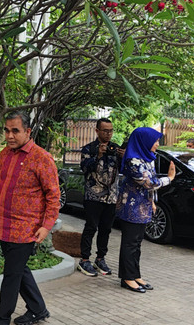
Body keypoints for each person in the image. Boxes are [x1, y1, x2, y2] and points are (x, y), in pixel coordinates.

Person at [0, 111, 60, 325]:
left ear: (27, 131)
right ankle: (38, 309)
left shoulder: (42, 158)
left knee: (11, 275)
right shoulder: (4, 155)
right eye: (7, 130)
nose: (9, 135)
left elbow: (53, 197)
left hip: (26, 229)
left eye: (15, 131)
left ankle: (1, 317)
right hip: (5, 226)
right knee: (18, 269)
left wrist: (46, 227)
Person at [116, 127, 175, 293]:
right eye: (155, 141)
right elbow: (150, 183)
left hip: (143, 206)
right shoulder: (133, 161)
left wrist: (152, 202)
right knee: (130, 243)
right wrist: (169, 179)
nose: (157, 144)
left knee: (137, 243)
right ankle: (127, 278)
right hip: (131, 207)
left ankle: (135, 275)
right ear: (144, 141)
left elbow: (149, 187)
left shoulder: (147, 159)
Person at [77, 118, 124, 277]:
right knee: (91, 227)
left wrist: (124, 157)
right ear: (97, 131)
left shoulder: (115, 149)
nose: (108, 134)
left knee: (106, 229)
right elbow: (84, 168)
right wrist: (97, 155)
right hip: (93, 196)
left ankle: (100, 258)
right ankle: (84, 260)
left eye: (111, 130)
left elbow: (125, 169)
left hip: (111, 197)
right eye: (105, 130)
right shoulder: (89, 148)